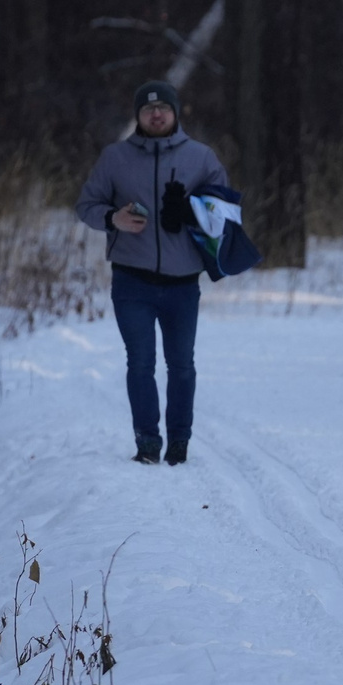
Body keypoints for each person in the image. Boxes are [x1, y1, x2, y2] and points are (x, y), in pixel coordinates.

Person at [76, 80, 225, 465]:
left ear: (175, 113)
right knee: (140, 363)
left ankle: (179, 440)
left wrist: (192, 211)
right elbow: (86, 205)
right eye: (147, 109)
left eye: (163, 109)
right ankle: (147, 441)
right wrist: (113, 219)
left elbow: (224, 215)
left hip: (182, 284)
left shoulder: (202, 158)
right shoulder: (115, 158)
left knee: (182, 365)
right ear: (138, 116)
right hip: (132, 280)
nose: (155, 114)